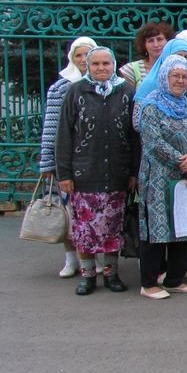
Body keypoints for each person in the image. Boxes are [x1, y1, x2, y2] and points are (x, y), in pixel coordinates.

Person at [55, 46, 137, 294]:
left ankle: (112, 274)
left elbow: (134, 136)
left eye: (106, 64)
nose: (101, 68)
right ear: (87, 67)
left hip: (116, 173)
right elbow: (64, 134)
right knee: (84, 229)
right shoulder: (76, 91)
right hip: (84, 174)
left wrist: (133, 171)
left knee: (113, 226)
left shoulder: (126, 92)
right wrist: (65, 174)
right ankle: (88, 275)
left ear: (113, 65)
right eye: (96, 64)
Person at [134, 54, 187, 299]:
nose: (180, 80)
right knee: (157, 230)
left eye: (185, 76)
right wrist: (185, 163)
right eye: (175, 76)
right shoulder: (151, 105)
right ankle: (149, 283)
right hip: (158, 177)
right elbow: (153, 142)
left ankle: (175, 279)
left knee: (186, 227)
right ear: (164, 77)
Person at [40, 35, 99, 278]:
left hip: (93, 159)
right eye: (79, 55)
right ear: (72, 58)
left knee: (93, 212)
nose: (84, 60)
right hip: (68, 158)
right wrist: (48, 162)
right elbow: (51, 127)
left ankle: (93, 258)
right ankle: (70, 259)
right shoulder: (61, 86)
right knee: (69, 211)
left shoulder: (103, 84)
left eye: (89, 55)